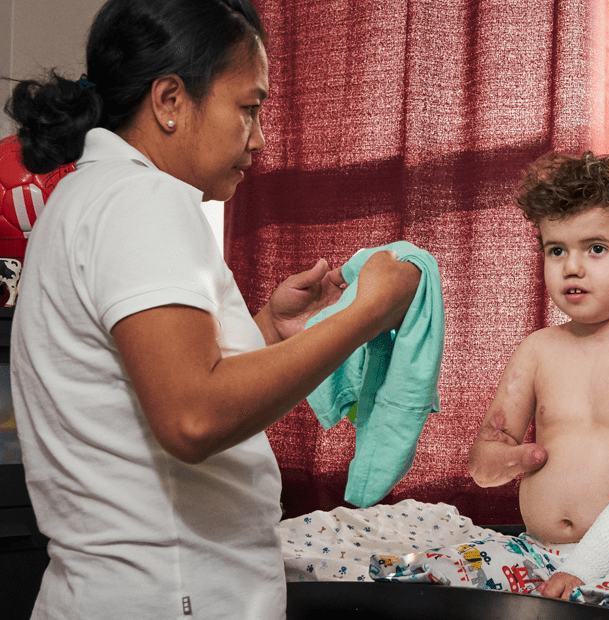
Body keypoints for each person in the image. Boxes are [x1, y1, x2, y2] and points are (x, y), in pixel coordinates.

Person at [8, 1, 419, 618]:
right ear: (170, 99)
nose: (260, 138)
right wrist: (366, 313)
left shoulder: (88, 195)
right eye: (248, 108)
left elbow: (144, 382)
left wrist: (267, 331)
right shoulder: (143, 200)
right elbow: (193, 416)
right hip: (168, 594)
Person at [371, 152, 609, 613]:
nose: (572, 267)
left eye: (597, 248)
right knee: (433, 571)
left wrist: (587, 564)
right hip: (539, 551)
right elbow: (483, 464)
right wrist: (512, 457)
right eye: (556, 250)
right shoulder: (538, 350)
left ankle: (603, 600)